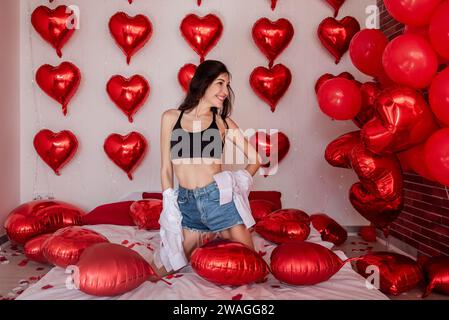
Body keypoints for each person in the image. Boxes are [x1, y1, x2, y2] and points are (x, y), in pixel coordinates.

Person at [150, 60, 262, 279]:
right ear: (203, 83)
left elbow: (255, 158)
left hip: (219, 201)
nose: (225, 92)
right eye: (220, 84)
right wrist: (169, 203)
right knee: (160, 271)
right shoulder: (171, 118)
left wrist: (236, 183)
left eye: (227, 86)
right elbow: (165, 169)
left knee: (254, 269)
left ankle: (219, 233)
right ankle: (204, 237)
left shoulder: (223, 123)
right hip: (187, 205)